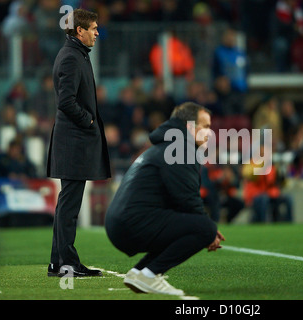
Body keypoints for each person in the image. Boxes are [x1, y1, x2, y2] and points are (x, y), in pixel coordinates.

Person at [105, 102, 225, 296]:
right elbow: (187, 199)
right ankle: (150, 274)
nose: (209, 133)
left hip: (120, 223)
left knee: (194, 225)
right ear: (189, 127)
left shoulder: (166, 147)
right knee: (205, 227)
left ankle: (139, 273)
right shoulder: (180, 149)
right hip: (132, 222)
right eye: (205, 126)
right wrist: (207, 230)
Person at [46, 9, 111, 277]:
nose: (97, 32)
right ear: (79, 31)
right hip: (73, 142)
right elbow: (66, 102)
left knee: (66, 205)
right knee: (69, 207)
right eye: (93, 28)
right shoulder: (73, 57)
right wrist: (89, 120)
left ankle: (57, 262)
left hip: (72, 141)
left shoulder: (75, 54)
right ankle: (67, 263)